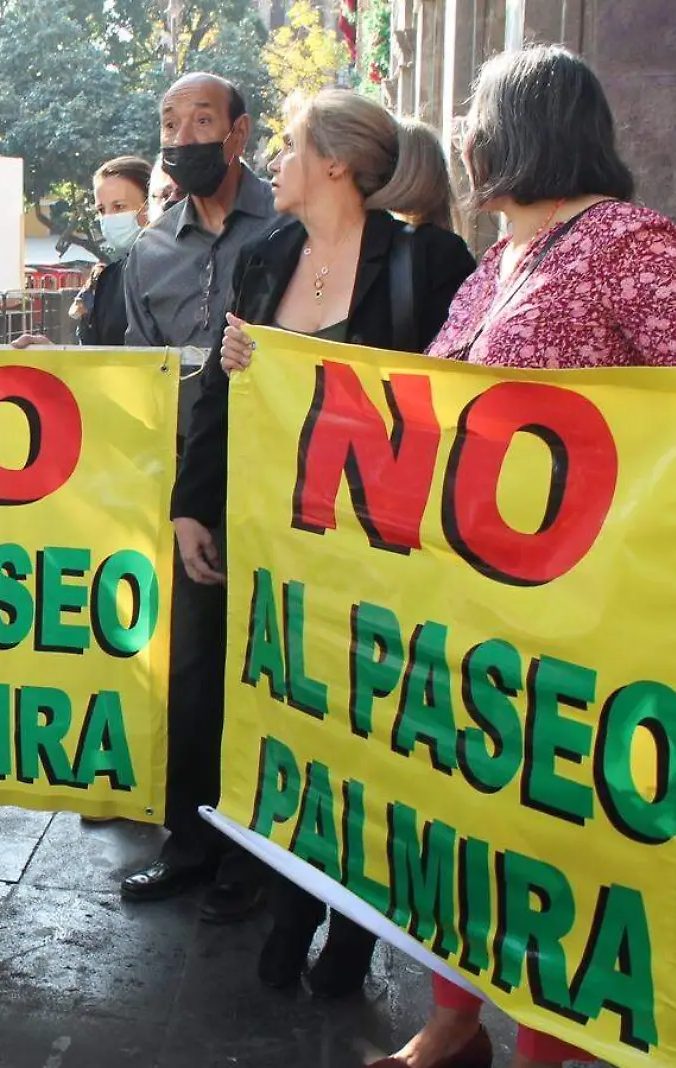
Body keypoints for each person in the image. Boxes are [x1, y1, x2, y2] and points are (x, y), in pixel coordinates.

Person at [222, 46, 676, 1068]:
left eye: (477, 117)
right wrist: (277, 373)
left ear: (520, 131)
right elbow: (420, 411)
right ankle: (454, 1018)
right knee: (458, 814)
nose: (465, 139)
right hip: (473, 608)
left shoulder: (623, 241)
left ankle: (547, 1044)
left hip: (572, 613)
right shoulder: (501, 260)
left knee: (548, 837)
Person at [174, 89, 476, 998]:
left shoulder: (431, 259)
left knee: (373, 735)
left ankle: (352, 922)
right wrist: (195, 502)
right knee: (290, 721)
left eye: (294, 145)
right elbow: (222, 390)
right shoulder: (267, 254)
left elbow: (465, 403)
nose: (276, 160)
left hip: (386, 555)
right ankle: (293, 893)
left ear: (338, 162)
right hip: (275, 544)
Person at [115, 71, 276, 927]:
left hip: (278, 486)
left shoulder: (288, 231)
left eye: (201, 120)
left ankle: (253, 855)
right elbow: (140, 373)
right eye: (169, 121)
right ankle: (188, 841)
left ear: (239, 132)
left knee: (259, 670)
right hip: (180, 486)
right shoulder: (147, 250)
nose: (182, 136)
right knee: (183, 670)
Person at [72, 156, 160, 348]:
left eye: (119, 206)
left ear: (150, 205)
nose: (109, 218)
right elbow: (90, 355)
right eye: (101, 210)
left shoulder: (179, 271)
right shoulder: (108, 280)